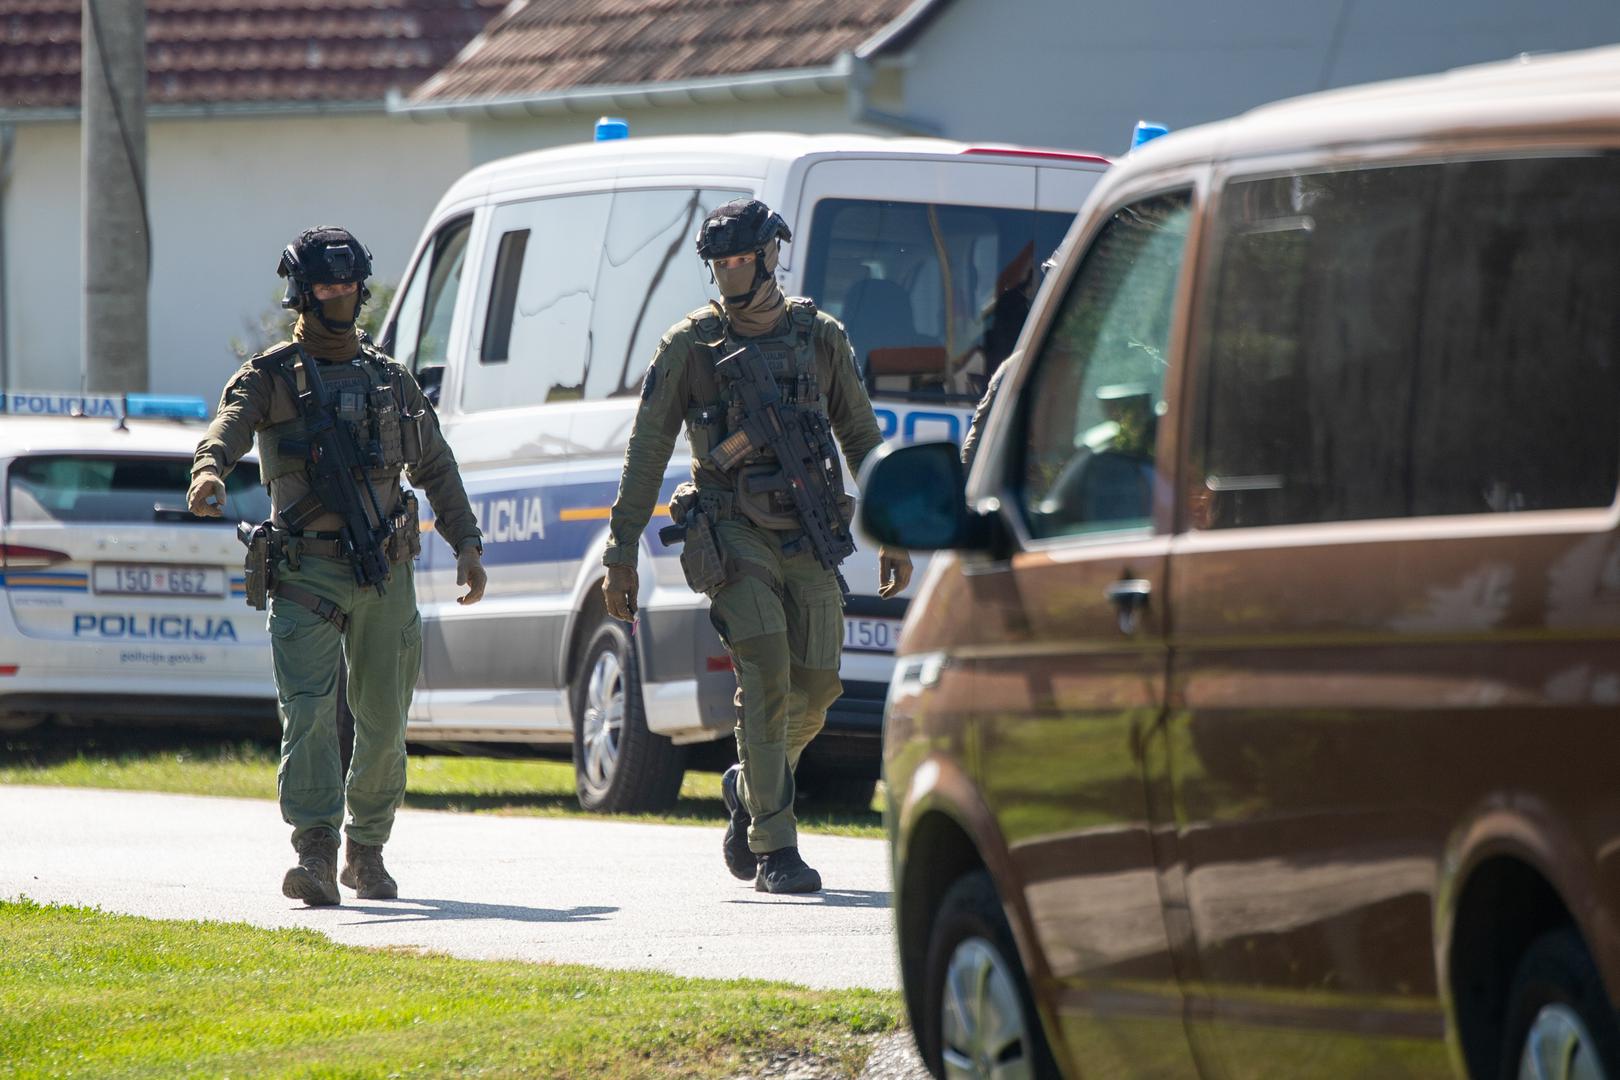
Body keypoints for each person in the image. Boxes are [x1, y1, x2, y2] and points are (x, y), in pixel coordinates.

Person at [600, 198, 910, 894]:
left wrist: (894, 527)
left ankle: (748, 783)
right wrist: (621, 554)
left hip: (809, 530)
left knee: (820, 683)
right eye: (721, 264)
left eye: (742, 259)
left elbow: (861, 435)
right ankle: (776, 846)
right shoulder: (690, 345)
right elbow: (647, 451)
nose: (732, 273)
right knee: (766, 673)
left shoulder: (819, 337)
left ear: (771, 256)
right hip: (730, 527)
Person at [188, 225, 486, 907]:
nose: (340, 295)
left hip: (384, 571)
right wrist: (209, 472)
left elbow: (436, 466)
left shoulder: (391, 379)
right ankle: (316, 851)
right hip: (303, 571)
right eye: (326, 285)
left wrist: (467, 544)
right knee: (310, 716)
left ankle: (368, 849)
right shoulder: (271, 376)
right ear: (302, 291)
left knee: (383, 718)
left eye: (349, 284)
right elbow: (228, 426)